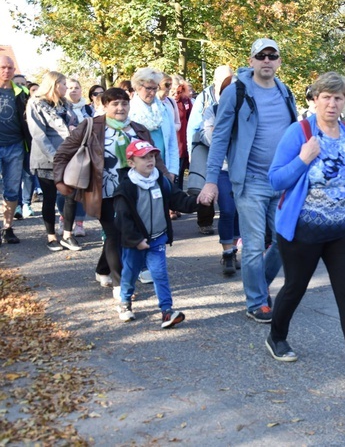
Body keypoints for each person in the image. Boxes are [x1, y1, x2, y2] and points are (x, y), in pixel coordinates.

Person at [265, 72, 345, 384]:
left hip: (343, 230)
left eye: (338, 98)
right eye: (326, 97)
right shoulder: (300, 132)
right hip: (303, 229)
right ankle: (276, 336)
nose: (332, 103)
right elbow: (276, 179)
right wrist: (303, 160)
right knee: (295, 287)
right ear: (315, 99)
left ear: (344, 101)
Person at [197, 38, 298, 323]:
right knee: (253, 245)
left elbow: (295, 134)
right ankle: (256, 301)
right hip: (250, 181)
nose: (266, 60)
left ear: (278, 61)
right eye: (261, 56)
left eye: (272, 55)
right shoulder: (236, 92)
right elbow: (219, 139)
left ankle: (259, 285)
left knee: (284, 240)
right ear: (251, 61)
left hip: (281, 181)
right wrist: (211, 180)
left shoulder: (285, 91)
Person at [54, 88, 168, 296]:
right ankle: (119, 285)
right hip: (103, 192)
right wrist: (59, 181)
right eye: (115, 104)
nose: (120, 108)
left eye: (124, 103)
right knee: (116, 234)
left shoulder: (138, 129)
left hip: (133, 193)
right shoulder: (91, 127)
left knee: (115, 236)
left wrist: (167, 179)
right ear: (104, 106)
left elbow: (155, 159)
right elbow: (63, 153)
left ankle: (102, 269)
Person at [113, 139, 198, 327]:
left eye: (152, 156)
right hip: (135, 241)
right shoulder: (126, 187)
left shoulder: (160, 180)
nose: (150, 160)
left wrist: (197, 202)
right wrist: (136, 240)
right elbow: (122, 220)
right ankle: (125, 301)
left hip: (157, 238)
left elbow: (178, 200)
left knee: (159, 274)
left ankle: (167, 311)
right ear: (132, 163)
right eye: (143, 157)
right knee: (130, 272)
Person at [26, 71, 80, 252]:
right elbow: (38, 135)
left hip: (69, 156)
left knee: (71, 196)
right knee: (49, 197)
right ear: (54, 84)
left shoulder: (65, 104)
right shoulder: (35, 103)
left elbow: (74, 123)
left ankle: (68, 234)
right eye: (64, 84)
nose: (67, 88)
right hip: (46, 158)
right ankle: (51, 237)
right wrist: (56, 158)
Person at [198, 76, 240, 274]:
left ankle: (233, 249)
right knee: (228, 210)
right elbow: (211, 139)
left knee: (240, 211)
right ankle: (227, 253)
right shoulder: (212, 111)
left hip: (243, 170)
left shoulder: (247, 111)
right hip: (222, 169)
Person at [187, 65, 233, 236]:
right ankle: (205, 222)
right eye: (223, 80)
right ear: (215, 81)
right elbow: (193, 128)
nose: (226, 83)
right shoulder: (204, 98)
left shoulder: (236, 96)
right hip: (208, 149)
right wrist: (192, 152)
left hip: (230, 158)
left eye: (229, 78)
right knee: (206, 187)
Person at [0, 55, 30, 245]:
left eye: (10, 68)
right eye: (3, 67)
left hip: (15, 146)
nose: (7, 71)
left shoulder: (22, 91)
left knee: (12, 190)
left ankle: (7, 228)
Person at [128, 68, 178, 180]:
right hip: (139, 171)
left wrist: (172, 171)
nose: (152, 92)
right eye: (148, 88)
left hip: (164, 167)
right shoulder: (130, 110)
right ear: (137, 87)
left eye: (155, 88)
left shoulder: (164, 109)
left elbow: (172, 143)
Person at [63, 78, 90, 237]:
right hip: (67, 152)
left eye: (76, 87)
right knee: (64, 190)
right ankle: (63, 219)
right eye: (70, 87)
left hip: (85, 153)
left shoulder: (88, 109)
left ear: (81, 90)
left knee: (81, 188)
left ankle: (79, 223)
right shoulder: (60, 108)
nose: (73, 90)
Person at [173, 82, 192, 191]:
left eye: (179, 92)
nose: (176, 94)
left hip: (182, 144)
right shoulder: (164, 103)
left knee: (179, 175)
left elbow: (191, 121)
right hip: (171, 144)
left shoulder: (185, 102)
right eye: (173, 91)